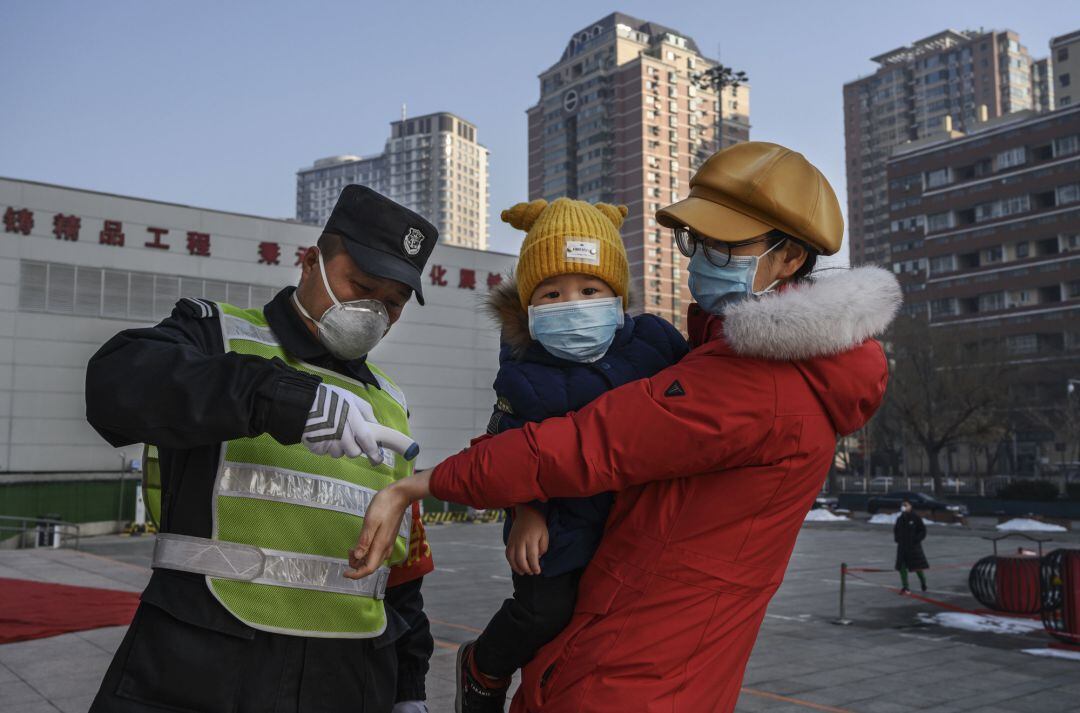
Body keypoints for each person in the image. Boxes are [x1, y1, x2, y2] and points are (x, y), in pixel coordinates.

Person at [347, 141, 903, 712]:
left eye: (724, 243)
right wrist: (528, 509)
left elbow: (585, 445)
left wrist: (420, 485)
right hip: (663, 657)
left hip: (627, 670)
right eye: (696, 239)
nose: (701, 256)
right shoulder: (750, 360)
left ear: (789, 258)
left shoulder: (755, 380)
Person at [86, 185, 437, 713]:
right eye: (361, 285)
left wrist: (409, 687)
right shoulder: (217, 335)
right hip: (206, 662)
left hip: (352, 675)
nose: (373, 313)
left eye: (392, 303)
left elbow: (401, 565)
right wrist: (272, 395)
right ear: (310, 261)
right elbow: (113, 386)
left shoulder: (390, 402)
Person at [456, 198, 689, 712]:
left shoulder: (654, 343)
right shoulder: (523, 370)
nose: (573, 304)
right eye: (552, 293)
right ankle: (483, 668)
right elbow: (506, 448)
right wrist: (526, 513)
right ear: (529, 305)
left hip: (633, 519)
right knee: (544, 613)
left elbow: (699, 392)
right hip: (556, 522)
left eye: (589, 290)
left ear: (617, 295)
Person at [894, 500, 930, 594]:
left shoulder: (915, 518)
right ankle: (905, 587)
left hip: (913, 548)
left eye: (906, 505)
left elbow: (922, 531)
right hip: (902, 548)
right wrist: (897, 538)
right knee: (902, 568)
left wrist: (916, 539)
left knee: (917, 568)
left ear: (910, 506)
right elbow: (896, 530)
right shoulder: (900, 518)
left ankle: (923, 583)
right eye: (902, 505)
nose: (904, 507)